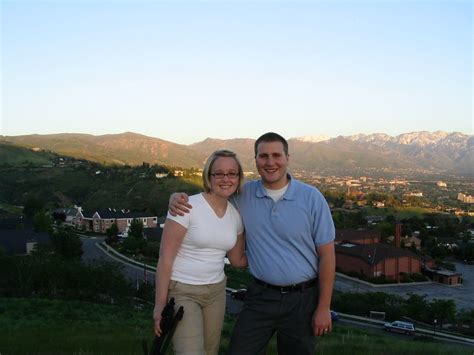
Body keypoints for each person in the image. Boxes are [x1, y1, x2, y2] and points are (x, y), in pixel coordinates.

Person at [169, 132, 336, 354]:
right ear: (256, 159)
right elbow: (212, 196)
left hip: (302, 300)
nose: (270, 162)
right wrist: (178, 198)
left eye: (276, 155)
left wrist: (324, 307)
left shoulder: (311, 198)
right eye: (263, 156)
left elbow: (327, 255)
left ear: (287, 158)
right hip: (260, 297)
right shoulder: (243, 194)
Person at [154, 149, 248, 355]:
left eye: (232, 173)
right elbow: (165, 258)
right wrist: (159, 305)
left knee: (210, 351)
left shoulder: (236, 217)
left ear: (239, 178)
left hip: (216, 293)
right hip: (183, 291)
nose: (226, 179)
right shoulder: (186, 207)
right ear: (209, 176)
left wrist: (275, 255)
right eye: (219, 173)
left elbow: (237, 260)